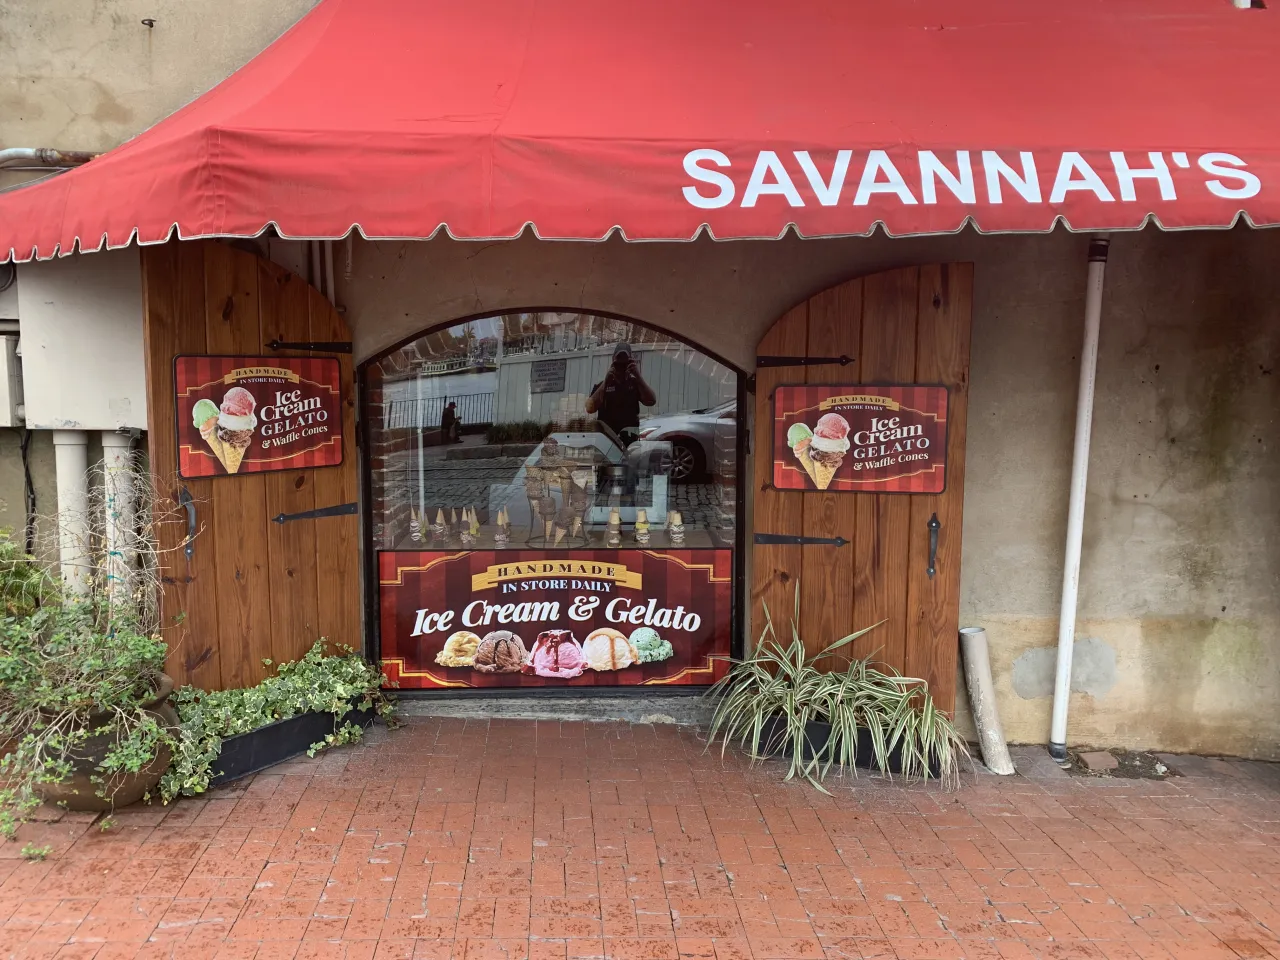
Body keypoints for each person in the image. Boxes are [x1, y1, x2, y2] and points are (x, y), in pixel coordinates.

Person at [585, 342, 656, 443]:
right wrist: (606, 382)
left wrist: (638, 376)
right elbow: (590, 408)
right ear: (613, 362)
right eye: (618, 364)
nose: (621, 367)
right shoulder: (602, 386)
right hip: (606, 441)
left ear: (630, 363)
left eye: (624, 364)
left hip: (630, 441)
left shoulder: (635, 384)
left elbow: (651, 401)